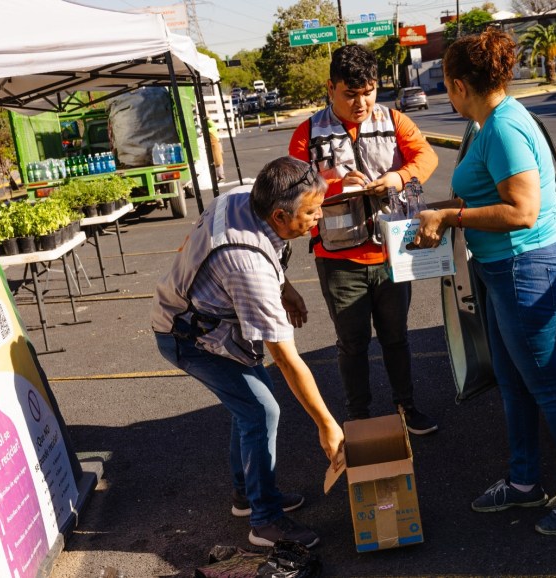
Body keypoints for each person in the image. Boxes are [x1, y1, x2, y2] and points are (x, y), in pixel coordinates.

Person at [412, 29, 556, 535]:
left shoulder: (501, 128)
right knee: (513, 382)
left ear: (459, 85)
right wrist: (443, 210)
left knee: (549, 387)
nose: (445, 97)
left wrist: (453, 219)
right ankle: (524, 482)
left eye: (446, 89)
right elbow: (483, 197)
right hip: (503, 272)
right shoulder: (484, 125)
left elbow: (522, 212)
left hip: (526, 271)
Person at [151, 157, 343, 548]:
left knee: (248, 406)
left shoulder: (242, 196)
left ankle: (245, 494)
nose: (319, 216)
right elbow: (287, 360)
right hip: (189, 337)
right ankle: (264, 521)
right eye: (310, 211)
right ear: (278, 214)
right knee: (261, 409)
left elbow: (266, 248)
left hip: (203, 320)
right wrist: (326, 424)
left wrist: (285, 286)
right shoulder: (247, 268)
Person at [288, 44, 439, 435]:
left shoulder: (394, 120)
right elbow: (292, 188)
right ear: (330, 88)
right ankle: (359, 417)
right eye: (350, 93)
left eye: (369, 91)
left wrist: (398, 177)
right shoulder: (308, 131)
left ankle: (407, 407)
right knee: (352, 344)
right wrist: (337, 184)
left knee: (396, 338)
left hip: (391, 252)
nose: (361, 102)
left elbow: (426, 157)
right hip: (338, 260)